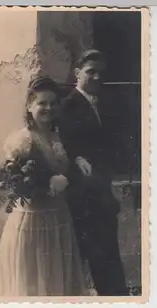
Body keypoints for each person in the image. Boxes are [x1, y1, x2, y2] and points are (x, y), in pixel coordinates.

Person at [0, 76, 90, 296]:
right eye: (42, 103)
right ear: (29, 106)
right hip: (33, 222)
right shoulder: (23, 139)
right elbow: (12, 182)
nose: (49, 108)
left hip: (58, 219)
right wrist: (44, 183)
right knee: (35, 283)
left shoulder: (57, 136)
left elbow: (64, 165)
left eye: (54, 103)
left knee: (57, 281)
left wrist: (75, 162)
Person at [58, 49, 128, 295]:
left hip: (102, 195)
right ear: (77, 73)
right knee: (83, 262)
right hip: (80, 199)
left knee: (108, 260)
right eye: (91, 72)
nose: (97, 77)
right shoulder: (66, 107)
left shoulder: (108, 104)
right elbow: (63, 149)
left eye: (101, 73)